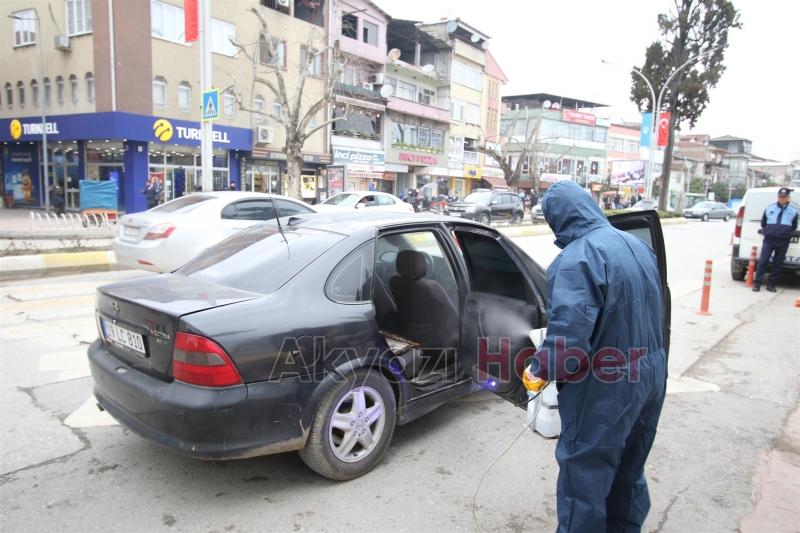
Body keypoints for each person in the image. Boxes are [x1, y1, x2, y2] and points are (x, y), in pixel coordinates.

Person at [526, 180, 667, 532]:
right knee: (629, 466)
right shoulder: (636, 244)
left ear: (557, 219)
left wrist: (539, 369)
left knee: (584, 474)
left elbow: (569, 339)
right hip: (651, 373)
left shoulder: (577, 258)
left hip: (608, 386)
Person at [752, 187, 798, 292]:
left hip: (783, 241)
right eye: (780, 196)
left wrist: (787, 234)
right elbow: (763, 223)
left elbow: (794, 226)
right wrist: (767, 232)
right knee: (763, 261)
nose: (782, 198)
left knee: (778, 263)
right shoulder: (769, 208)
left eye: (784, 197)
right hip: (769, 240)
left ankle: (771, 285)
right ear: (778, 197)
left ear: (788, 197)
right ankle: (757, 284)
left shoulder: (793, 211)